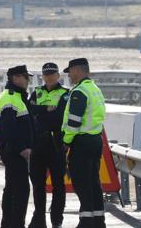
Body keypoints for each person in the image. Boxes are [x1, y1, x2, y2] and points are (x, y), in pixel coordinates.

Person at [62, 58, 106, 228]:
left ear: (78, 71)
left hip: (81, 142)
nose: (69, 75)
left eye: (70, 72)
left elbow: (74, 122)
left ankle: (86, 222)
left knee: (82, 184)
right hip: (95, 140)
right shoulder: (95, 89)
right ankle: (98, 221)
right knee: (94, 183)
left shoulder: (79, 92)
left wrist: (66, 142)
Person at [28, 62, 69, 228]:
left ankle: (56, 220)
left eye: (52, 74)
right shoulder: (36, 92)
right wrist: (46, 109)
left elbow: (59, 116)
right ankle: (39, 220)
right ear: (42, 76)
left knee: (58, 185)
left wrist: (39, 111)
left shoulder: (65, 93)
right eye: (46, 74)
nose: (49, 77)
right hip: (38, 144)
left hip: (56, 144)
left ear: (58, 76)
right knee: (38, 185)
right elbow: (29, 112)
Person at [0, 64, 34, 228]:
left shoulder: (17, 96)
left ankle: (9, 224)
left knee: (12, 189)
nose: (28, 80)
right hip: (14, 152)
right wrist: (22, 149)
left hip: (14, 151)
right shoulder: (10, 97)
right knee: (20, 190)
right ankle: (16, 224)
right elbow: (10, 128)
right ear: (16, 78)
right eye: (26, 77)